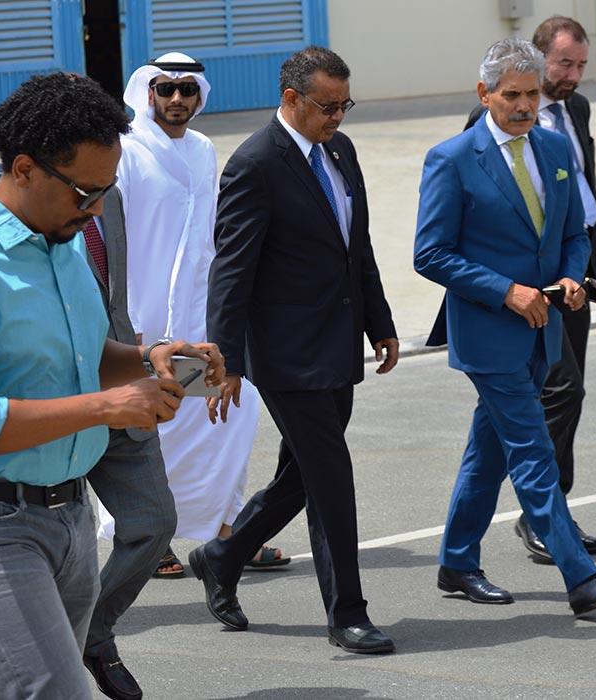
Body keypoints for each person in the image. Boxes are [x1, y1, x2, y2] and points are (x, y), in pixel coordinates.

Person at [0, 71, 223, 698]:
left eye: (105, 191)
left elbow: (83, 358)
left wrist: (150, 358)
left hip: (67, 518)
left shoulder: (60, 242)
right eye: (84, 192)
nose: (96, 209)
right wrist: (108, 406)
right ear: (23, 169)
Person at [413, 37, 596, 616]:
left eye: (532, 94)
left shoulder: (555, 147)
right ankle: (580, 576)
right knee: (532, 450)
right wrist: (505, 291)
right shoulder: (452, 158)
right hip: (488, 332)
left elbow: (575, 233)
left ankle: (457, 562)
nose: (523, 105)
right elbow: (430, 254)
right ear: (484, 93)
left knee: (487, 451)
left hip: (544, 327)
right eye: (511, 95)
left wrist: (570, 278)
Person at [191, 45, 400, 654]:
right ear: (291, 99)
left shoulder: (340, 150)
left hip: (338, 341)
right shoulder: (255, 163)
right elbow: (231, 270)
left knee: (302, 474)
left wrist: (380, 322)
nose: (338, 117)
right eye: (328, 106)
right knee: (331, 477)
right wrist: (224, 361)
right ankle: (348, 612)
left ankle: (222, 555)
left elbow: (355, 246)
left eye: (345, 106)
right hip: (286, 354)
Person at [97, 52, 288, 578]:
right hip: (142, 315)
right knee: (152, 421)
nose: (176, 98)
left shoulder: (203, 149)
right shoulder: (127, 150)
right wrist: (123, 317)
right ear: (148, 93)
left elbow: (212, 233)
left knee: (230, 412)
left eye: (186, 90)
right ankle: (147, 533)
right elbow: (112, 236)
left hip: (201, 310)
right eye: (166, 89)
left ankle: (227, 531)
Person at [456, 16, 596, 561]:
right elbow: (466, 223)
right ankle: (551, 526)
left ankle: (461, 556)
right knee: (559, 393)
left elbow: (580, 201)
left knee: (528, 411)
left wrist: (584, 271)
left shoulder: (575, 110)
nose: (572, 75)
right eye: (564, 64)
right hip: (518, 291)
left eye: (580, 65)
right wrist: (502, 289)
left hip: (574, 274)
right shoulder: (485, 127)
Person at [80, 186, 178, 700]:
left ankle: (91, 634)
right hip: (53, 402)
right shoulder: (6, 210)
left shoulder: (109, 194)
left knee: (154, 522)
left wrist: (147, 355)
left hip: (123, 375)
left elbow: (111, 299)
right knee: (57, 553)